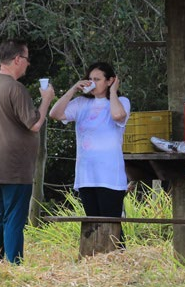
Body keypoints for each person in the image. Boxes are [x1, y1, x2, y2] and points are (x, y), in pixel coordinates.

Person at [0, 38, 54, 264]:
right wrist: (46, 100)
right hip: (15, 167)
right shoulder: (16, 88)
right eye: (26, 59)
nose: (28, 64)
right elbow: (34, 124)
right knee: (15, 217)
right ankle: (14, 264)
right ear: (17, 59)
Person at [49, 62, 131, 218]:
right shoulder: (81, 103)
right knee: (93, 226)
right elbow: (55, 114)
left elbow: (118, 116)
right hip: (86, 175)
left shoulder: (122, 102)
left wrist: (113, 91)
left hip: (110, 177)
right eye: (90, 78)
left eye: (98, 79)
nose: (93, 83)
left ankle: (116, 245)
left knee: (112, 226)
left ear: (110, 81)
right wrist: (73, 89)